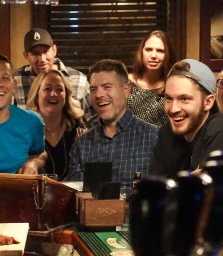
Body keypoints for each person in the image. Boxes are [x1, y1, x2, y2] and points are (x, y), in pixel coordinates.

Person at [65, 59, 158, 187]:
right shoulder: (81, 145)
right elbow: (76, 198)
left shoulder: (153, 137)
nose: (98, 95)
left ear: (126, 90)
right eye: (93, 89)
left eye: (107, 87)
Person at [148, 59, 223, 178]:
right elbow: (152, 192)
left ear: (208, 102)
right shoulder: (166, 133)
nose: (173, 109)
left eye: (184, 99)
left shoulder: (221, 131)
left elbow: (211, 194)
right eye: (169, 98)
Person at [13, 28, 92, 120]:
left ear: (54, 50)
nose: (42, 59)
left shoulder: (79, 79)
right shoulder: (16, 79)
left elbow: (92, 119)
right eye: (35, 54)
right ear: (26, 56)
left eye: (46, 51)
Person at [26, 69, 84, 181]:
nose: (54, 94)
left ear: (66, 96)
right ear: (37, 95)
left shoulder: (78, 127)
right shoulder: (25, 129)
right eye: (47, 89)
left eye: (59, 89)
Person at [126, 30, 176, 127]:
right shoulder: (125, 82)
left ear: (168, 55)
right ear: (141, 52)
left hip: (161, 140)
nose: (153, 56)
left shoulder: (173, 86)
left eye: (160, 51)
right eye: (149, 50)